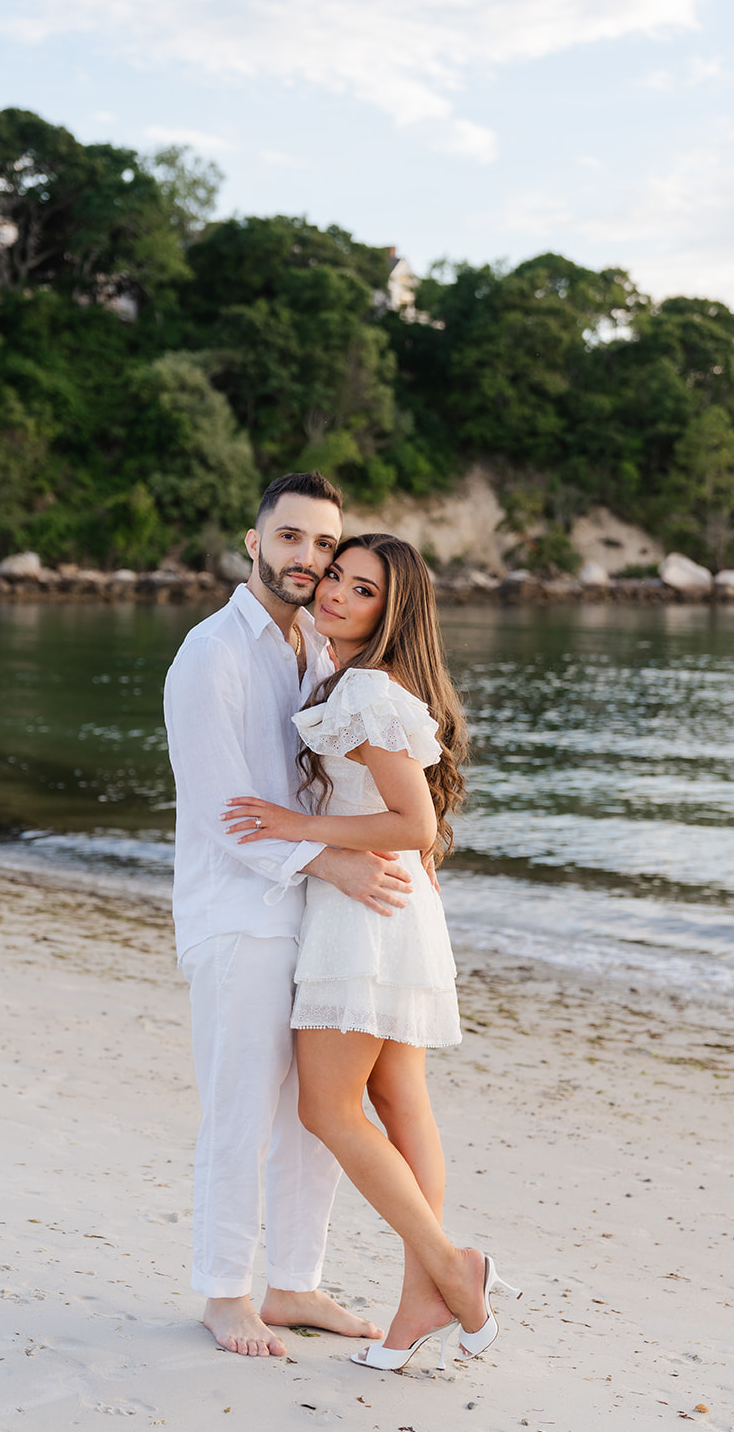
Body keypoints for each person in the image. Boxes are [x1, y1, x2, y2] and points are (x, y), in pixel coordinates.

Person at [223, 533, 521, 1370]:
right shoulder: (353, 677)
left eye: (362, 589)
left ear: (392, 612)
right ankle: (420, 1300)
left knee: (326, 1107)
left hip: (366, 910)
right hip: (394, 904)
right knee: (397, 1099)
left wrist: (297, 826)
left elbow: (413, 823)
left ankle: (451, 1269)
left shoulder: (366, 691)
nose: (336, 595)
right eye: (337, 578)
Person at [164, 475, 414, 1359]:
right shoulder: (212, 653)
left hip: (310, 908)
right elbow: (222, 811)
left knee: (316, 1107)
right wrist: (337, 858)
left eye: (323, 545)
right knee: (239, 1105)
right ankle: (224, 1291)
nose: (308, 559)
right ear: (254, 539)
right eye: (292, 538)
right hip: (237, 910)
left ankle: (295, 1283)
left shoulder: (311, 645)